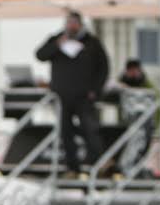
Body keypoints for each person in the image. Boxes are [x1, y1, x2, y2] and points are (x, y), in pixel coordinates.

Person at [35, 11, 110, 178]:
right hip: (62, 97)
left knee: (90, 129)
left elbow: (103, 68)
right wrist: (57, 45)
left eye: (74, 23)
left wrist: (95, 91)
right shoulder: (57, 39)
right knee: (66, 132)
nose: (71, 26)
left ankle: (101, 164)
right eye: (69, 23)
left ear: (80, 24)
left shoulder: (92, 43)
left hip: (84, 96)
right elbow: (40, 55)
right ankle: (72, 169)